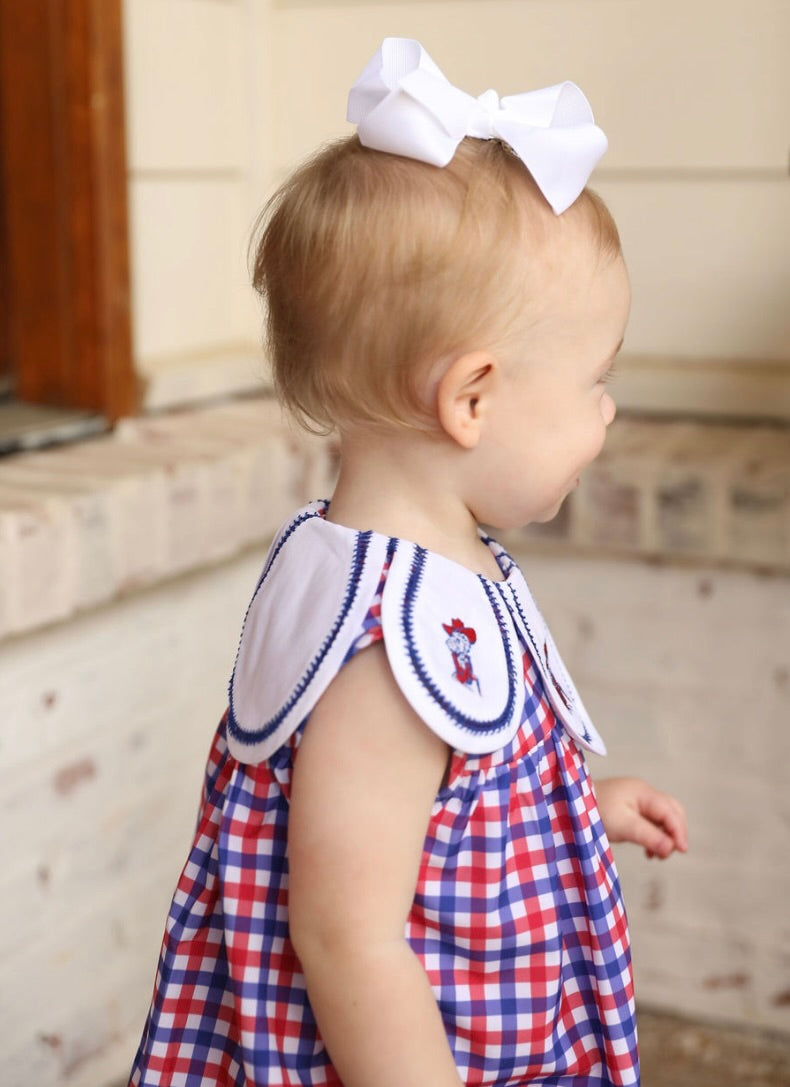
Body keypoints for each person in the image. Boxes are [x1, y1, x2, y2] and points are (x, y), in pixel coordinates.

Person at [129, 37, 687, 1087]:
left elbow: (442, 808)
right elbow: (346, 939)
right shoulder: (387, 650)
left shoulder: (431, 570)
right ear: (471, 399)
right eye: (592, 381)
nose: (606, 410)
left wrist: (576, 803)